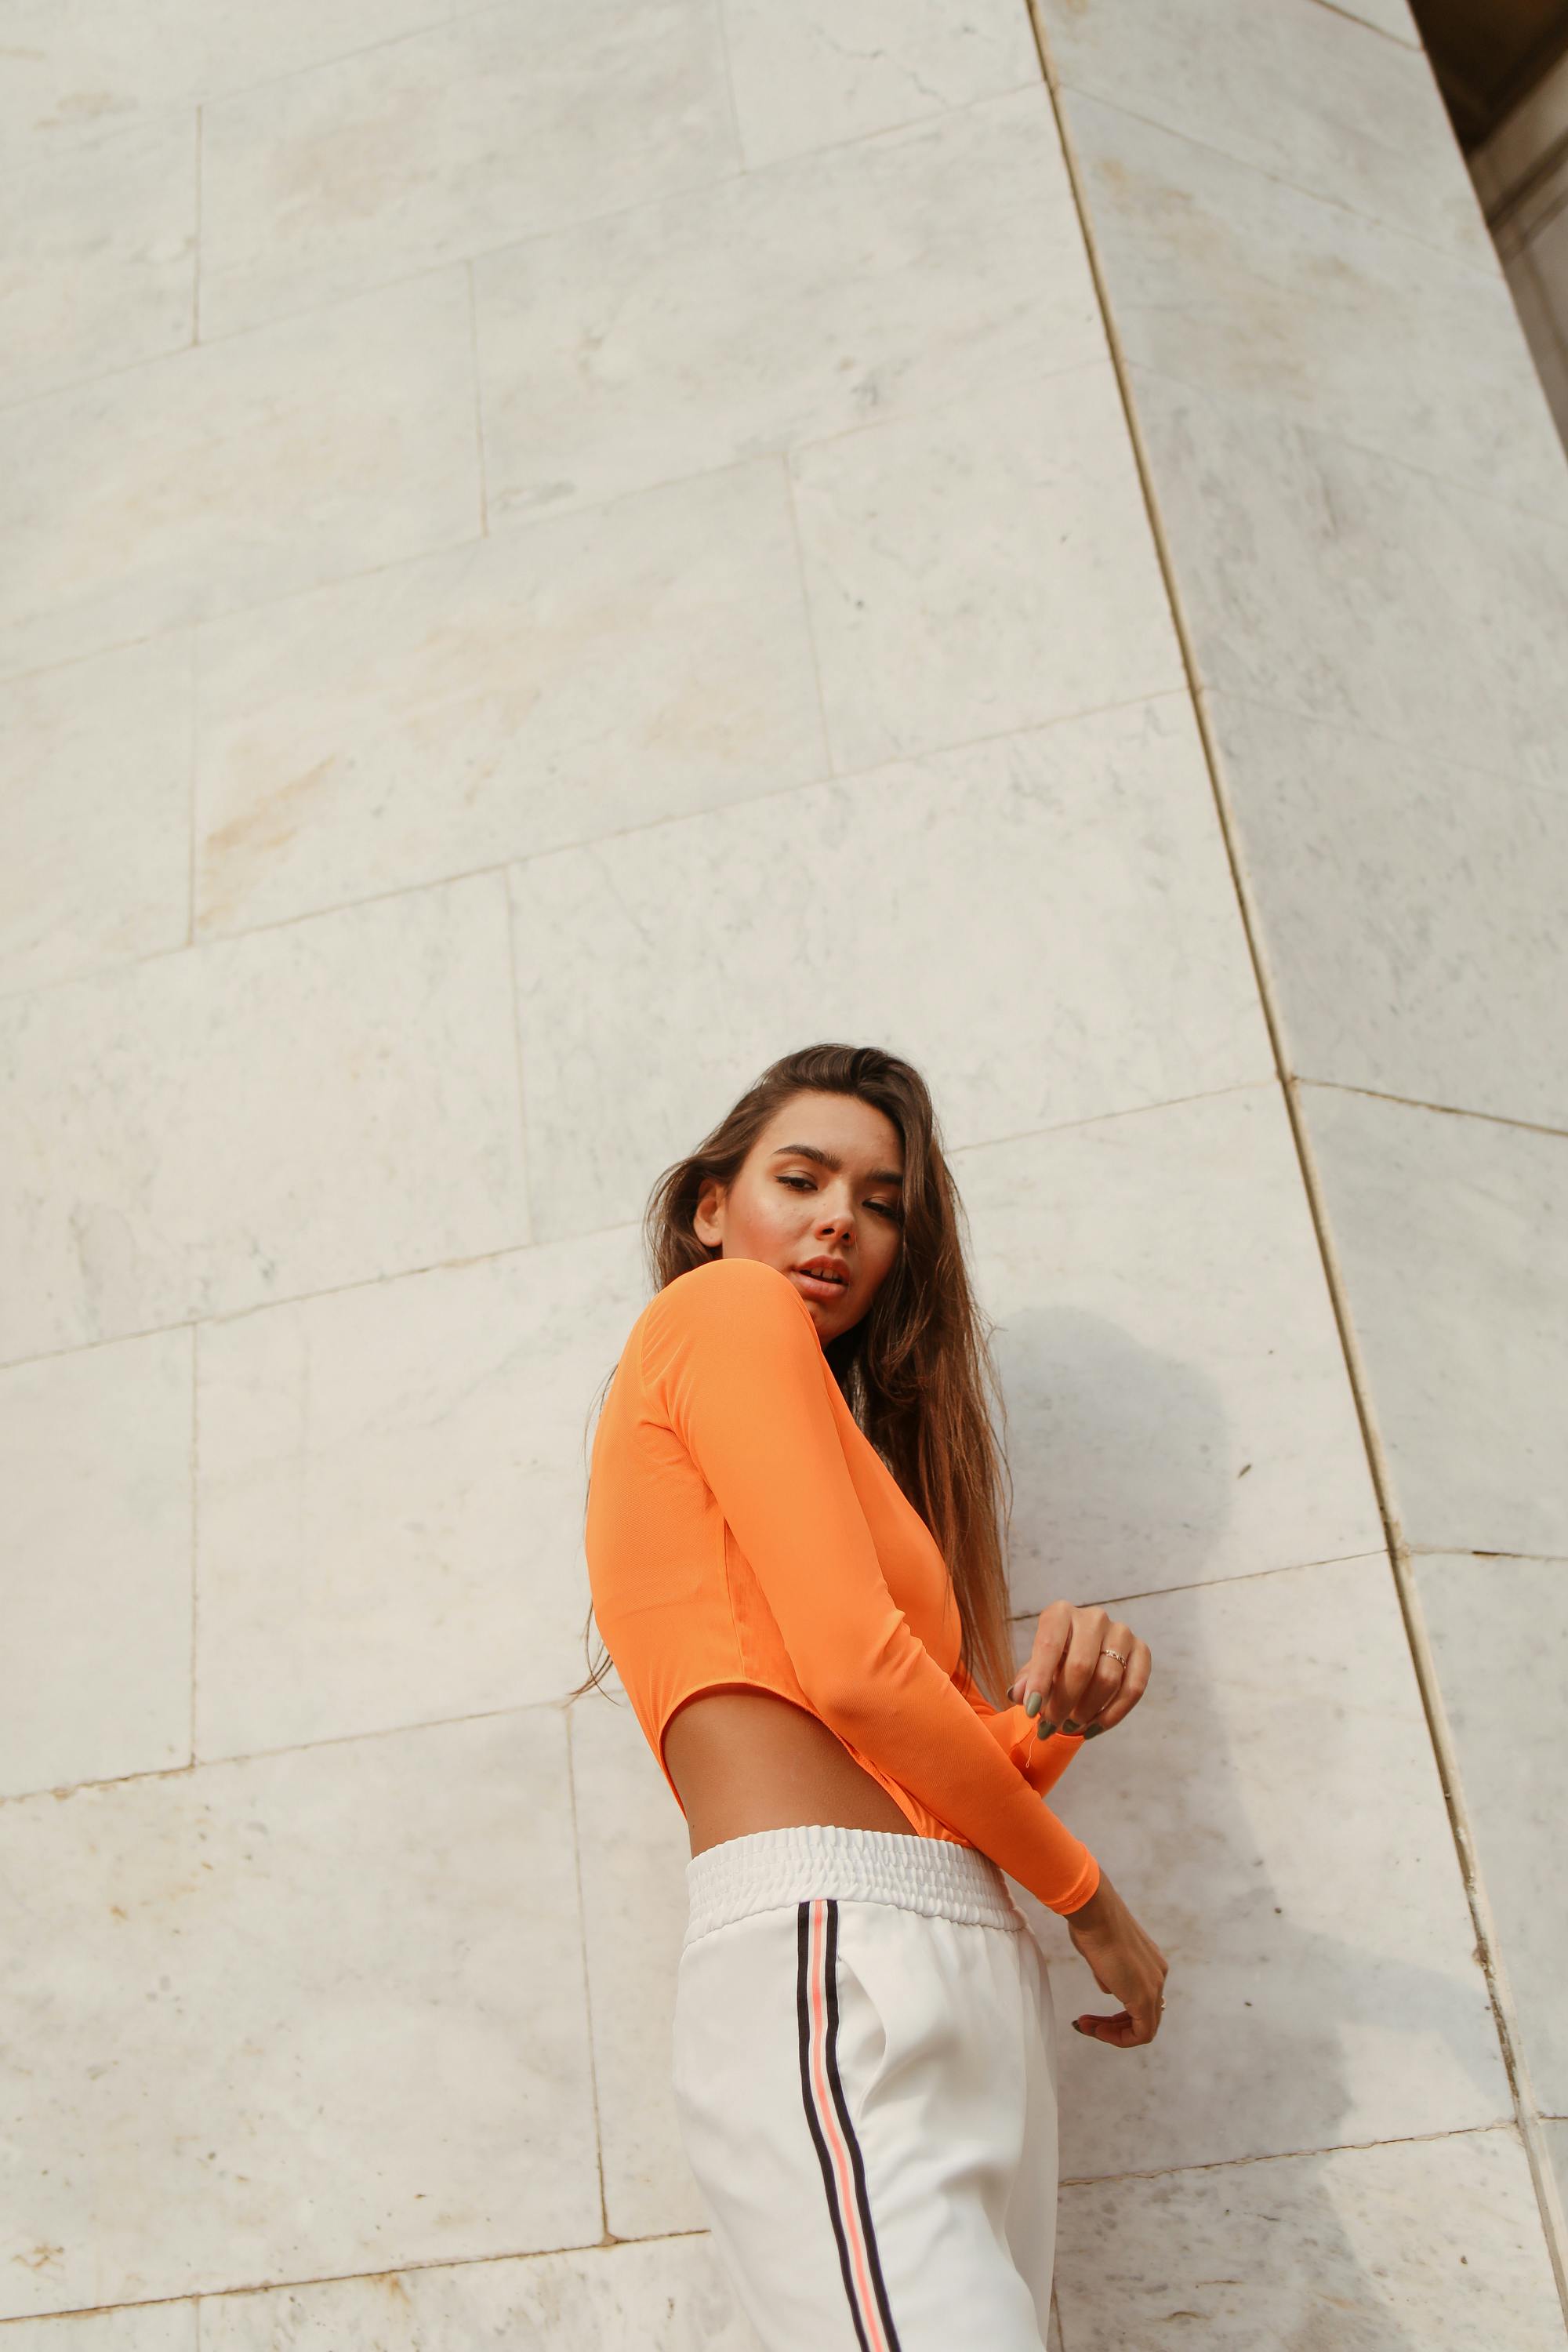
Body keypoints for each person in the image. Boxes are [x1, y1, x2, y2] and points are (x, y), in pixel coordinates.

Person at [575, 1041, 1166, 2350]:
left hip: (939, 1948)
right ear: (710, 1209)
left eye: (883, 1201)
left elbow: (895, 1740)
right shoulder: (718, 1312)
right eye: (803, 1177)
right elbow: (854, 1670)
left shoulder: (854, 1455)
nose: (843, 1216)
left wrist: (1049, 1723)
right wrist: (1090, 1900)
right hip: (831, 1952)